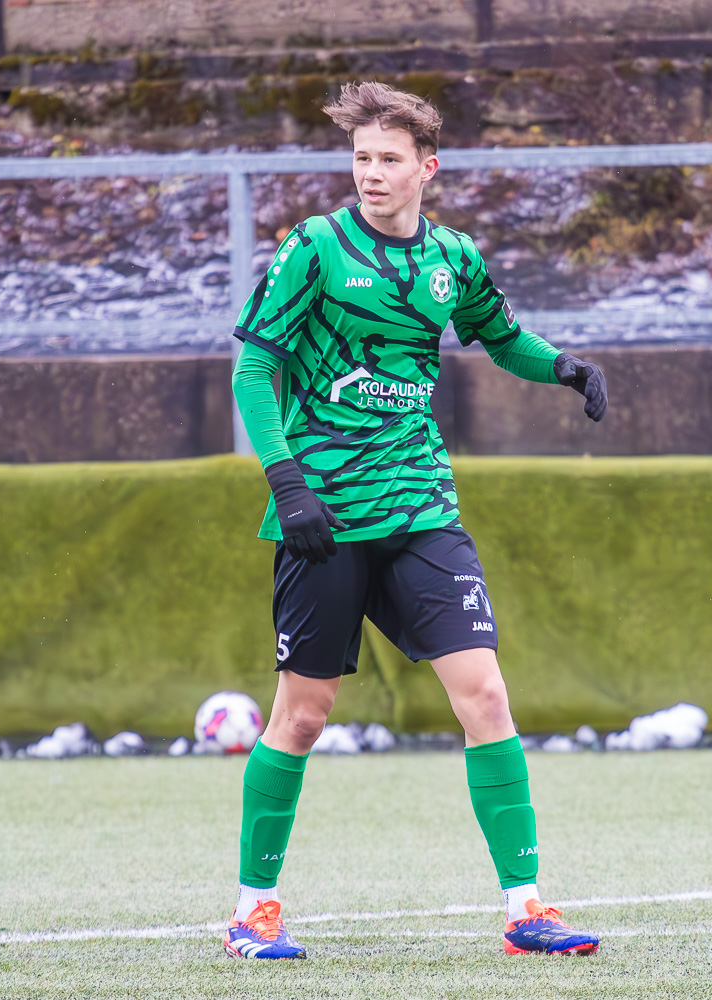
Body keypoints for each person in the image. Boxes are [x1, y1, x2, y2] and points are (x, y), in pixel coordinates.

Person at [225, 81, 608, 961]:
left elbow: (500, 336)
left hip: (421, 505)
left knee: (486, 695)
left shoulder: (453, 257)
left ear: (426, 168)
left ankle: (526, 909)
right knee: (304, 717)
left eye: (388, 159)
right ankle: (251, 911)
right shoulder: (314, 247)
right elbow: (253, 371)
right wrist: (287, 484)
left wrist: (563, 367)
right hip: (322, 513)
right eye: (361, 158)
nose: (371, 173)